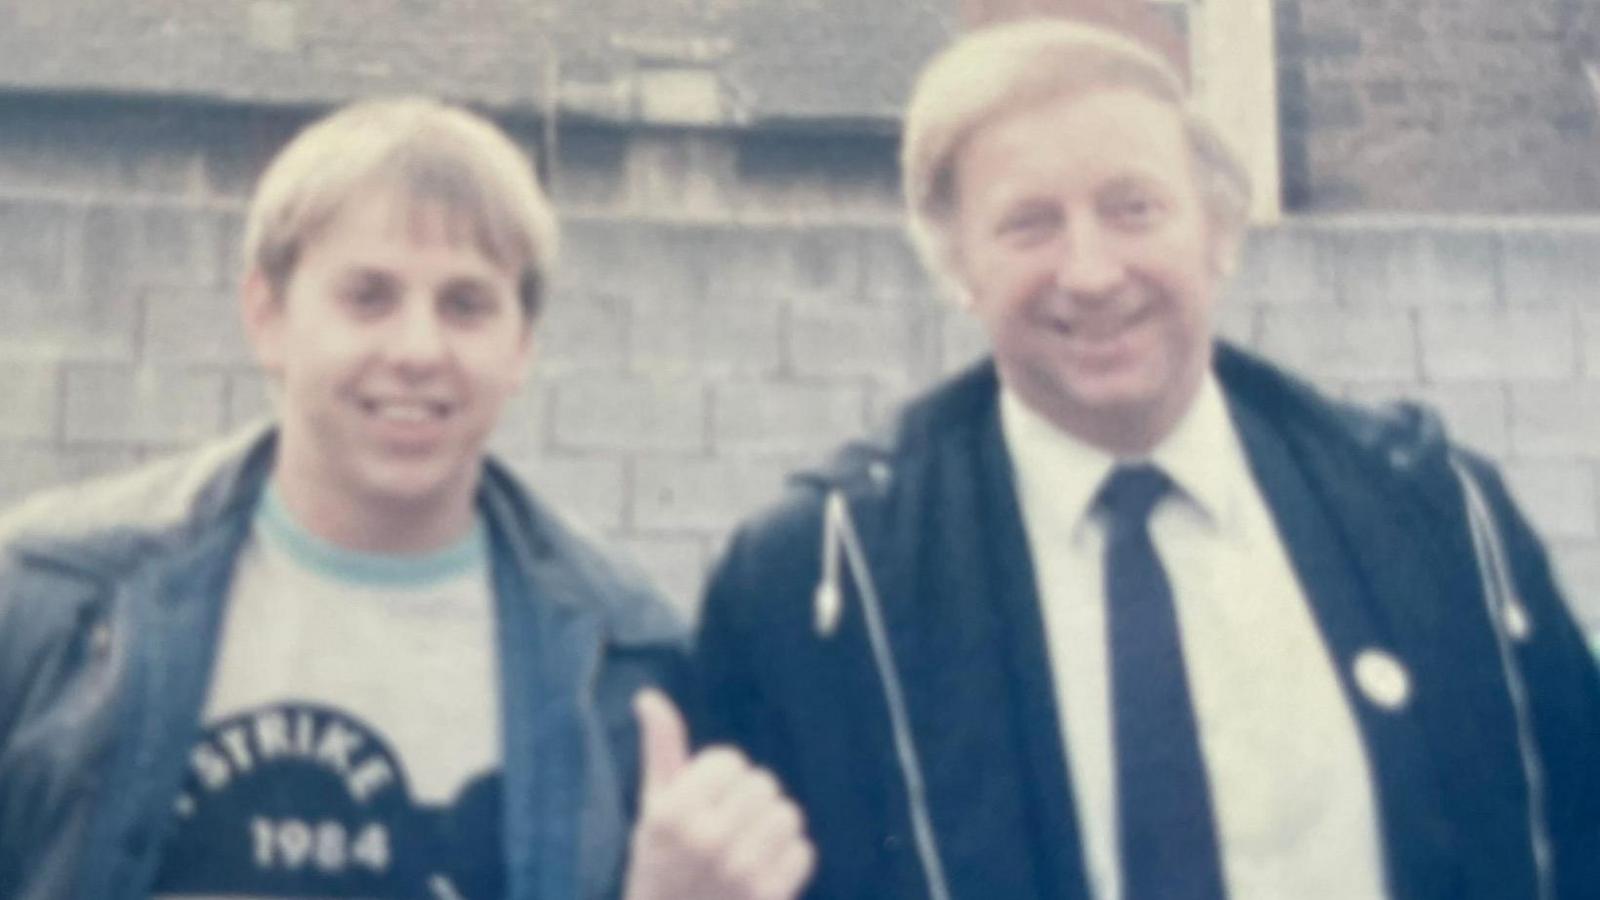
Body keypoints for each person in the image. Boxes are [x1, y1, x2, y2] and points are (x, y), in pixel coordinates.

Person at [694, 19, 1600, 900]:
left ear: (1217, 232)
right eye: (1029, 224)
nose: (1089, 271)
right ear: (957, 267)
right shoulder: (814, 588)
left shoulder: (1439, 519)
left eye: (1134, 208)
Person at [0, 97, 812, 900]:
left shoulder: (627, 660)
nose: (418, 350)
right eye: (369, 297)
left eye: (465, 305)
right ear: (267, 315)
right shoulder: (50, 599)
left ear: (521, 346)